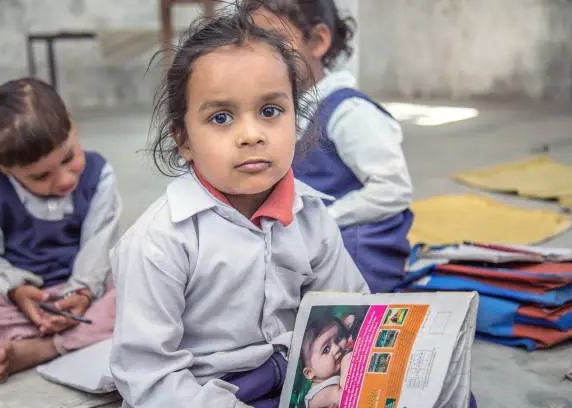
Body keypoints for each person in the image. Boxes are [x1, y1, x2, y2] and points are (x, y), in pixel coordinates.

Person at [109, 4, 368, 408]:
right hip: (205, 392)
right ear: (184, 140)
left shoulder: (312, 216)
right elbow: (149, 375)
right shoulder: (159, 242)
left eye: (270, 111)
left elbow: (350, 308)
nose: (251, 135)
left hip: (296, 377)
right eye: (222, 117)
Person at [0, 77, 121, 383]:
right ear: (4, 168)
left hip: (86, 292)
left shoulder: (100, 176)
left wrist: (83, 291)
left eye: (69, 157)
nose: (63, 180)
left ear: (72, 126)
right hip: (18, 300)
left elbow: (99, 245)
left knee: (141, 287)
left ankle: (44, 347)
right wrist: (15, 290)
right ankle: (76, 334)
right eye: (40, 176)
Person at [248, 0, 414, 293]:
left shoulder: (349, 111)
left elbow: (393, 189)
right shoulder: (278, 112)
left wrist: (326, 220)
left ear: (318, 41)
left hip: (359, 252)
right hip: (308, 246)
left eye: (274, 40)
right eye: (253, 44)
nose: (261, 57)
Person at [300, 314, 355, 408]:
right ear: (309, 372)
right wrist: (346, 363)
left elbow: (351, 318)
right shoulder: (318, 395)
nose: (337, 348)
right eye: (326, 350)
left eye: (338, 339)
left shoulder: (329, 375)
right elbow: (347, 397)